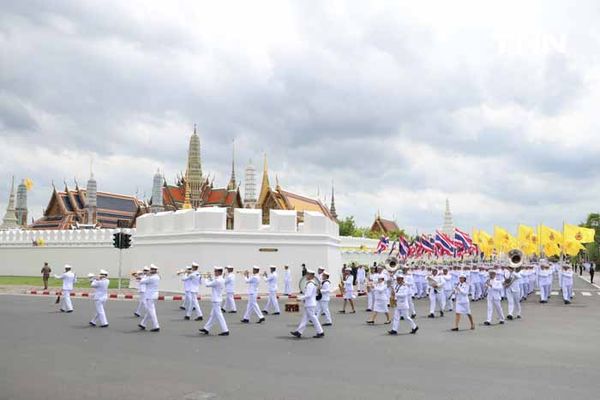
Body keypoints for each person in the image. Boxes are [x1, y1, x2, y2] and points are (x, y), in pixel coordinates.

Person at [290, 270, 324, 338]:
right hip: (310, 303)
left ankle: (320, 332)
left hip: (310, 304)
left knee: (313, 318)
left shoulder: (310, 284)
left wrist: (300, 298)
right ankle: (299, 332)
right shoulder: (311, 283)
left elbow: (308, 295)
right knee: (305, 318)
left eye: (308, 274)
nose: (306, 276)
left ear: (311, 276)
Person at [199, 267, 229, 336]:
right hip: (218, 299)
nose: (214, 272)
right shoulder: (220, 279)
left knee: (219, 315)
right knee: (213, 316)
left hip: (216, 300)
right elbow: (213, 281)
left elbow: (208, 284)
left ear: (219, 272)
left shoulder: (218, 280)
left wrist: (205, 278)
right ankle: (206, 328)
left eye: (215, 271)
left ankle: (225, 330)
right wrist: (209, 277)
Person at [139, 264, 160, 332]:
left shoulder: (151, 278)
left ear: (153, 270)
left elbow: (142, 282)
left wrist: (145, 276)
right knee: (150, 310)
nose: (150, 271)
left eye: (151, 269)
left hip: (150, 295)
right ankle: (143, 323)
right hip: (154, 295)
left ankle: (156, 325)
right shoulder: (157, 276)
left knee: (151, 311)